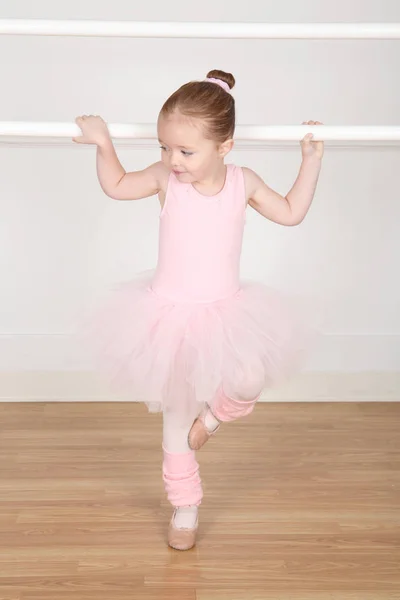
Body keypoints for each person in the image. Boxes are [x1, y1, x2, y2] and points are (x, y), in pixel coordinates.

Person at [74, 69, 324, 551]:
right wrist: (104, 144)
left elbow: (291, 212)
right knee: (174, 416)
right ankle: (185, 507)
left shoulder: (242, 182)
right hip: (167, 317)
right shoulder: (167, 180)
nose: (173, 160)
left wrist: (310, 162)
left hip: (226, 314)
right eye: (165, 147)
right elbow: (119, 185)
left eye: (186, 151)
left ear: (224, 147)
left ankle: (212, 421)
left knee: (249, 377)